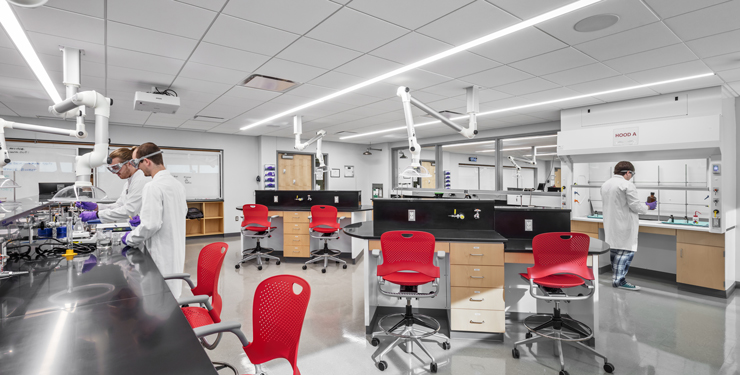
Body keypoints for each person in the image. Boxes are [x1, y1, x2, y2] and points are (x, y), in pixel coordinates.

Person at [121, 143, 187, 298]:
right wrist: (144, 219)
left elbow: (151, 225)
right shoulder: (177, 184)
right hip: (175, 251)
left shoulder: (152, 186)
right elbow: (178, 213)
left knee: (159, 300)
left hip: (160, 254)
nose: (137, 168)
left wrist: (129, 238)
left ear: (147, 162)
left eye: (137, 163)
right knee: (172, 294)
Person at [600, 161, 657, 291]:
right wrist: (648, 206)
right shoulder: (627, 185)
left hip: (611, 223)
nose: (631, 176)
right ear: (627, 173)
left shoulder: (605, 184)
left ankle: (616, 278)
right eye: (632, 174)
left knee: (615, 250)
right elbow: (636, 206)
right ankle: (619, 281)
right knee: (626, 252)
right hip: (624, 224)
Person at [77, 147, 150, 223]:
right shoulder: (128, 183)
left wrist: (97, 214)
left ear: (129, 163)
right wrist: (97, 207)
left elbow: (129, 210)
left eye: (116, 167)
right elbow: (119, 206)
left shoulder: (141, 179)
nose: (114, 172)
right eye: (111, 169)